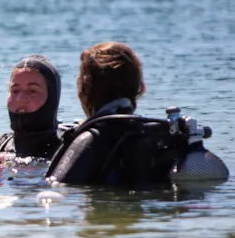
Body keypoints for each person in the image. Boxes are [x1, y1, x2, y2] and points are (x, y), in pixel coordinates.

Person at [45, 41, 227, 186]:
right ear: (140, 87)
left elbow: (57, 192)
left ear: (84, 89)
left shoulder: (91, 139)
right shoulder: (161, 136)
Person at [0, 54, 62, 159]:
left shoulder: (69, 149)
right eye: (15, 91)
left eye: (32, 91)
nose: (20, 98)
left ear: (52, 97)